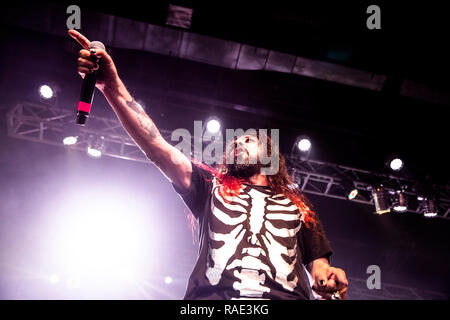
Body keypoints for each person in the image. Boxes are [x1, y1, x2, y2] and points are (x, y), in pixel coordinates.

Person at [69, 30, 348, 300]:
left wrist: (329, 280)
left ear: (270, 157)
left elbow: (319, 267)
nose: (238, 143)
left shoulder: (299, 207)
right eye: (235, 142)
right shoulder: (209, 186)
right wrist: (112, 86)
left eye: (249, 140)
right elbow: (157, 147)